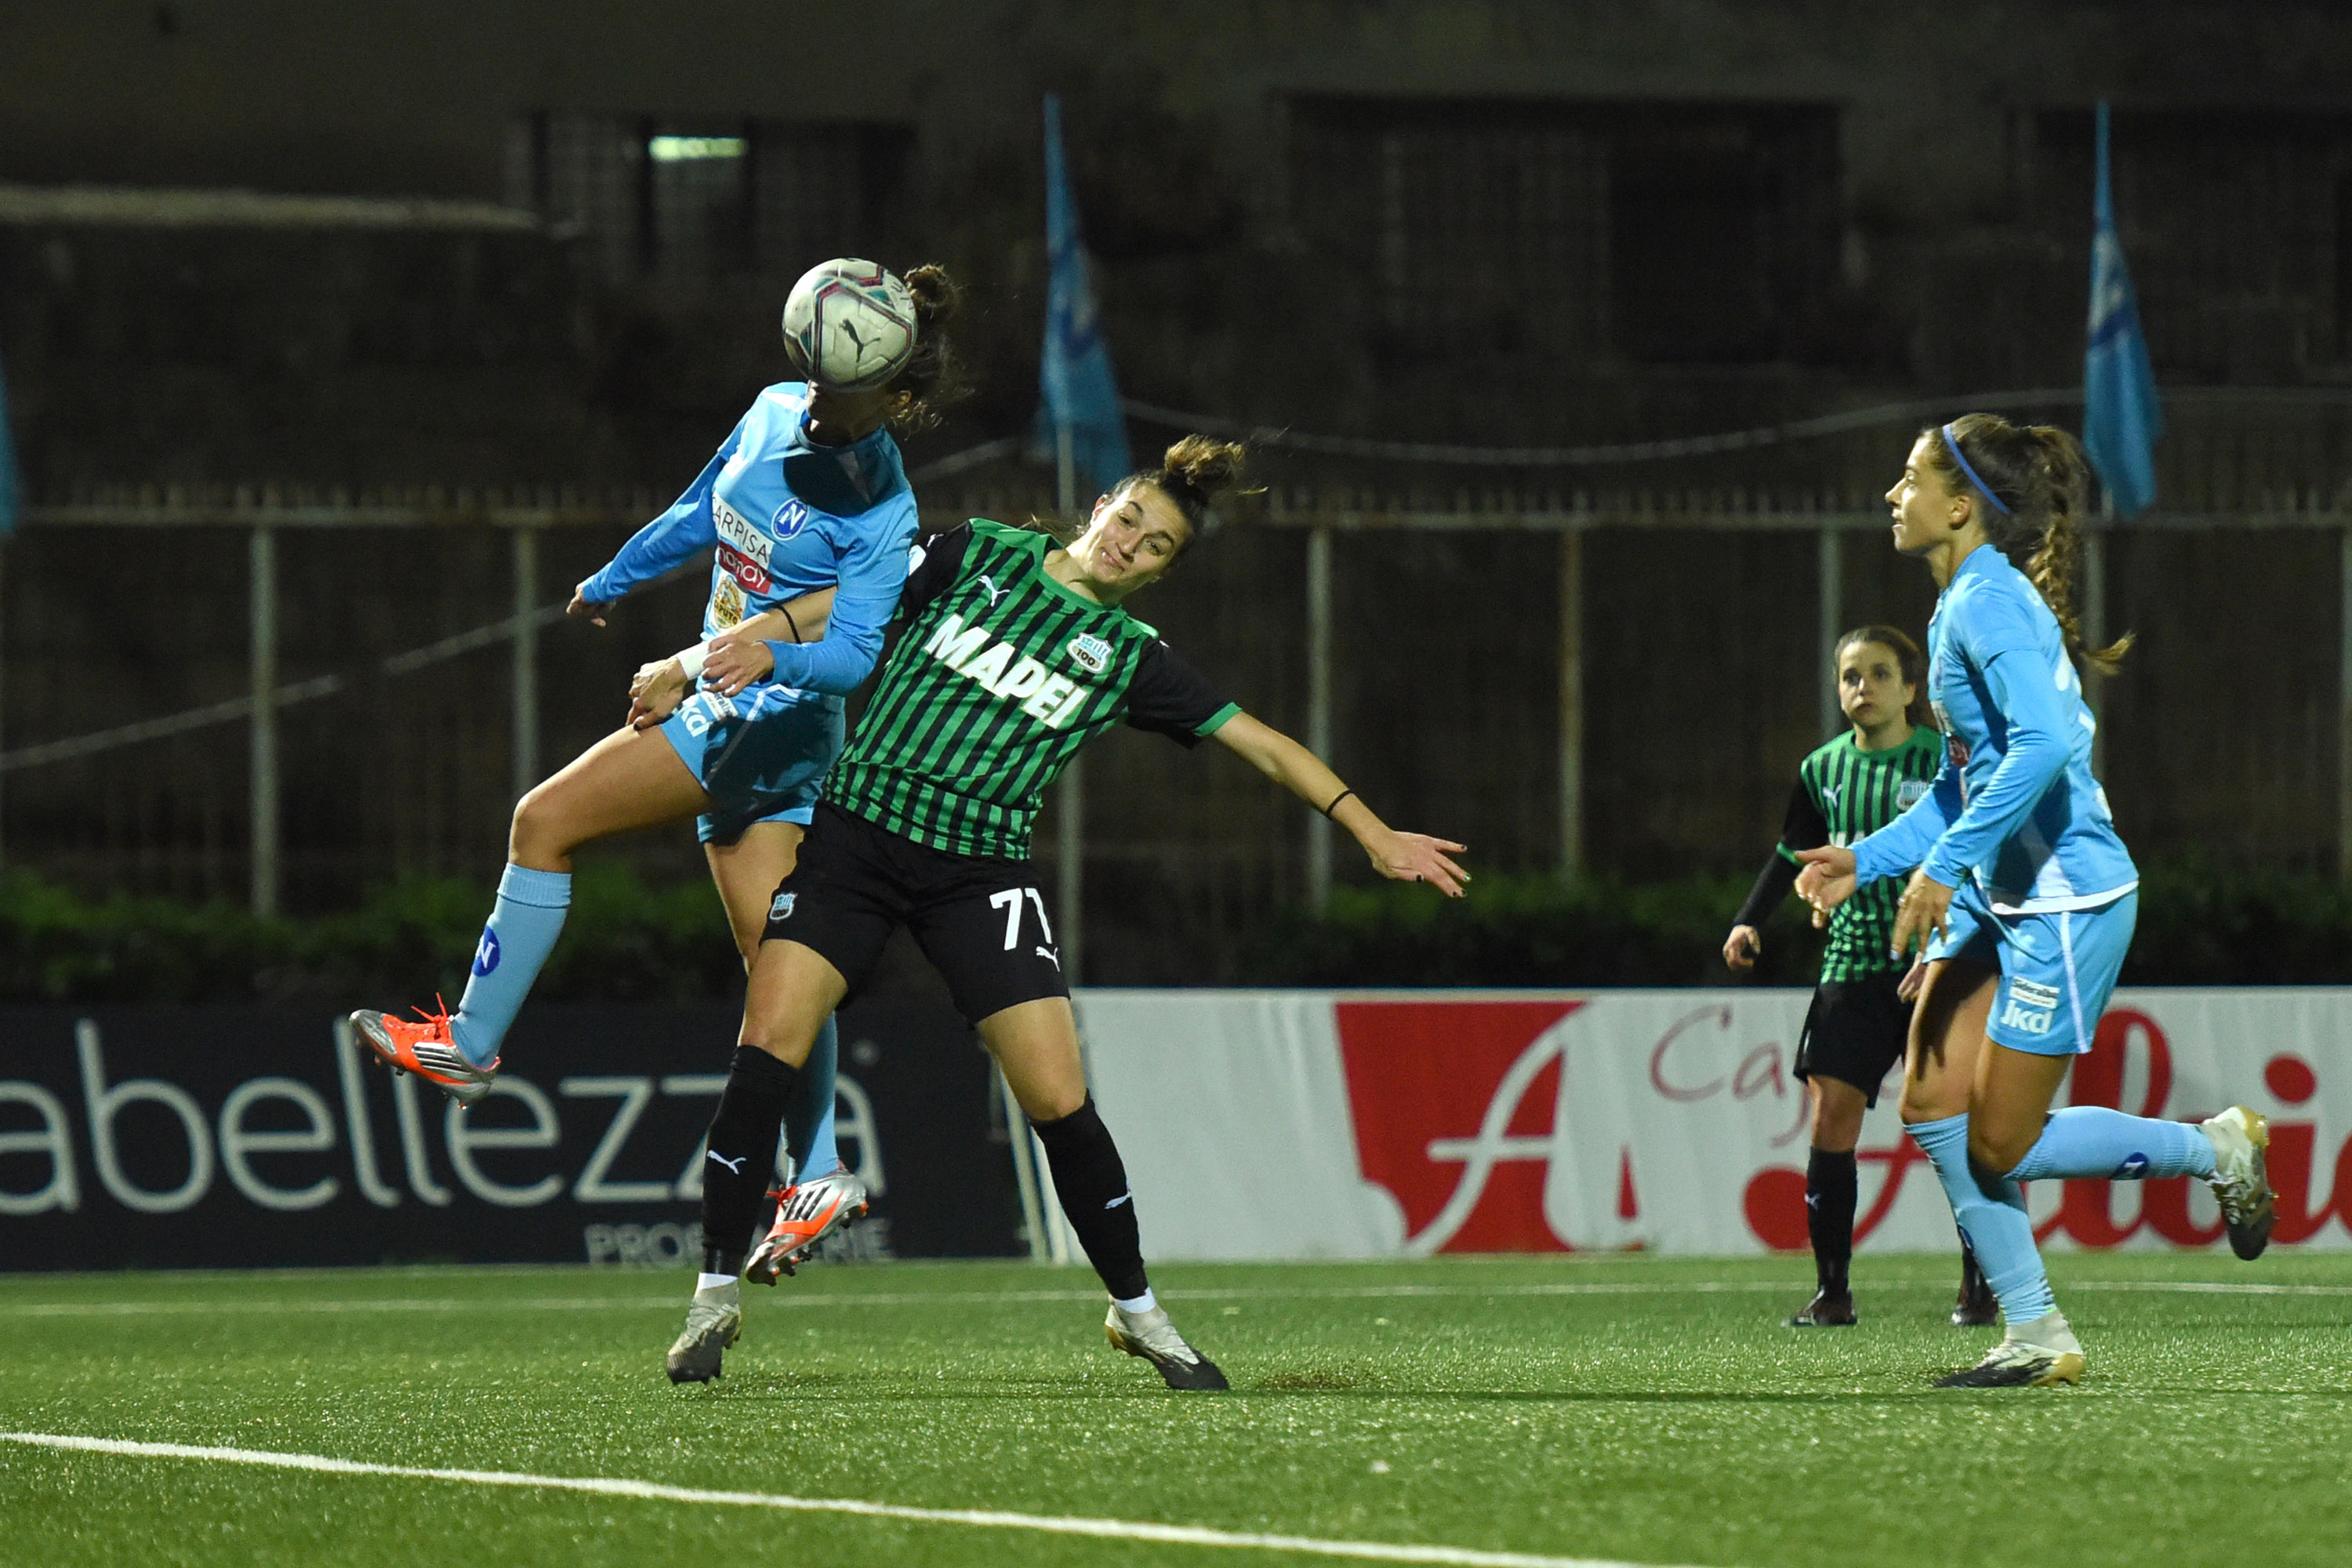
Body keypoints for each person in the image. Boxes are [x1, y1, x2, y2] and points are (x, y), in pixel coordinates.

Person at [647, 436, 1469, 1388]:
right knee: (766, 1053)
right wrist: (703, 655)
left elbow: (1264, 742)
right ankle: (712, 1299)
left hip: (981, 877)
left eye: (1156, 545)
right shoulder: (979, 552)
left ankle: (1138, 1311)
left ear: (1161, 573)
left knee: (1059, 1102)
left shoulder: (1130, 656)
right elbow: (842, 603)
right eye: (1131, 518)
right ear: (1102, 504)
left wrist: (1372, 830)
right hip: (856, 844)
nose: (1131, 543)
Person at [350, 260, 965, 1272]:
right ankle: (818, 1168)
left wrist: (749, 656)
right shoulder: (773, 407)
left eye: (846, 388)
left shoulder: (881, 508)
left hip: (758, 716)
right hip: (750, 714)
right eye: (819, 377)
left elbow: (858, 654)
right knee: (779, 968)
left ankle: (469, 1044)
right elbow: (697, 510)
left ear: (892, 393)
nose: (822, 397)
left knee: (543, 822)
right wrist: (614, 576)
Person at [1795, 414, 2276, 1388]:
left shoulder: (1986, 605)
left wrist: (1944, 868)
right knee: (1931, 1101)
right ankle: (2036, 1331)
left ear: (1960, 507)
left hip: (2066, 900)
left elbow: (2047, 745)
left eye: (1912, 476)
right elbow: (1960, 786)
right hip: (2002, 896)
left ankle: (2214, 1148)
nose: (1894, 494)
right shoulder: (1963, 602)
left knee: (1999, 1139)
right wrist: (1868, 858)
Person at [1726, 625, 1993, 1330]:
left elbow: (1977, 852)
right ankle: (1833, 1292)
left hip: (1938, 961)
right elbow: (1793, 853)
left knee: (1955, 1122)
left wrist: (1957, 941)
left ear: (1911, 690)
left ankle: (1980, 1283)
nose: (1862, 688)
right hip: (1853, 964)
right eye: (1850, 676)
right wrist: (1749, 921)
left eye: (1879, 674)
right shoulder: (1822, 769)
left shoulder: (1944, 760)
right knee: (1830, 1116)